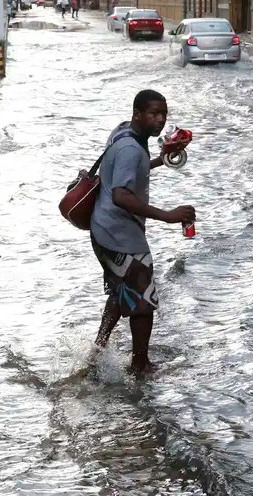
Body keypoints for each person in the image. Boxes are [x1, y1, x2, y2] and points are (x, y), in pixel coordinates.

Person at [89, 89, 195, 374]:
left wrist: (162, 159)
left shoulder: (124, 133)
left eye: (163, 114)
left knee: (122, 289)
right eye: (153, 114)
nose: (160, 120)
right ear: (137, 114)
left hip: (103, 230)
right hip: (120, 235)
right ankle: (140, 365)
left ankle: (97, 350)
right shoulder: (130, 148)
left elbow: (127, 171)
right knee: (144, 299)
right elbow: (121, 195)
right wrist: (167, 216)